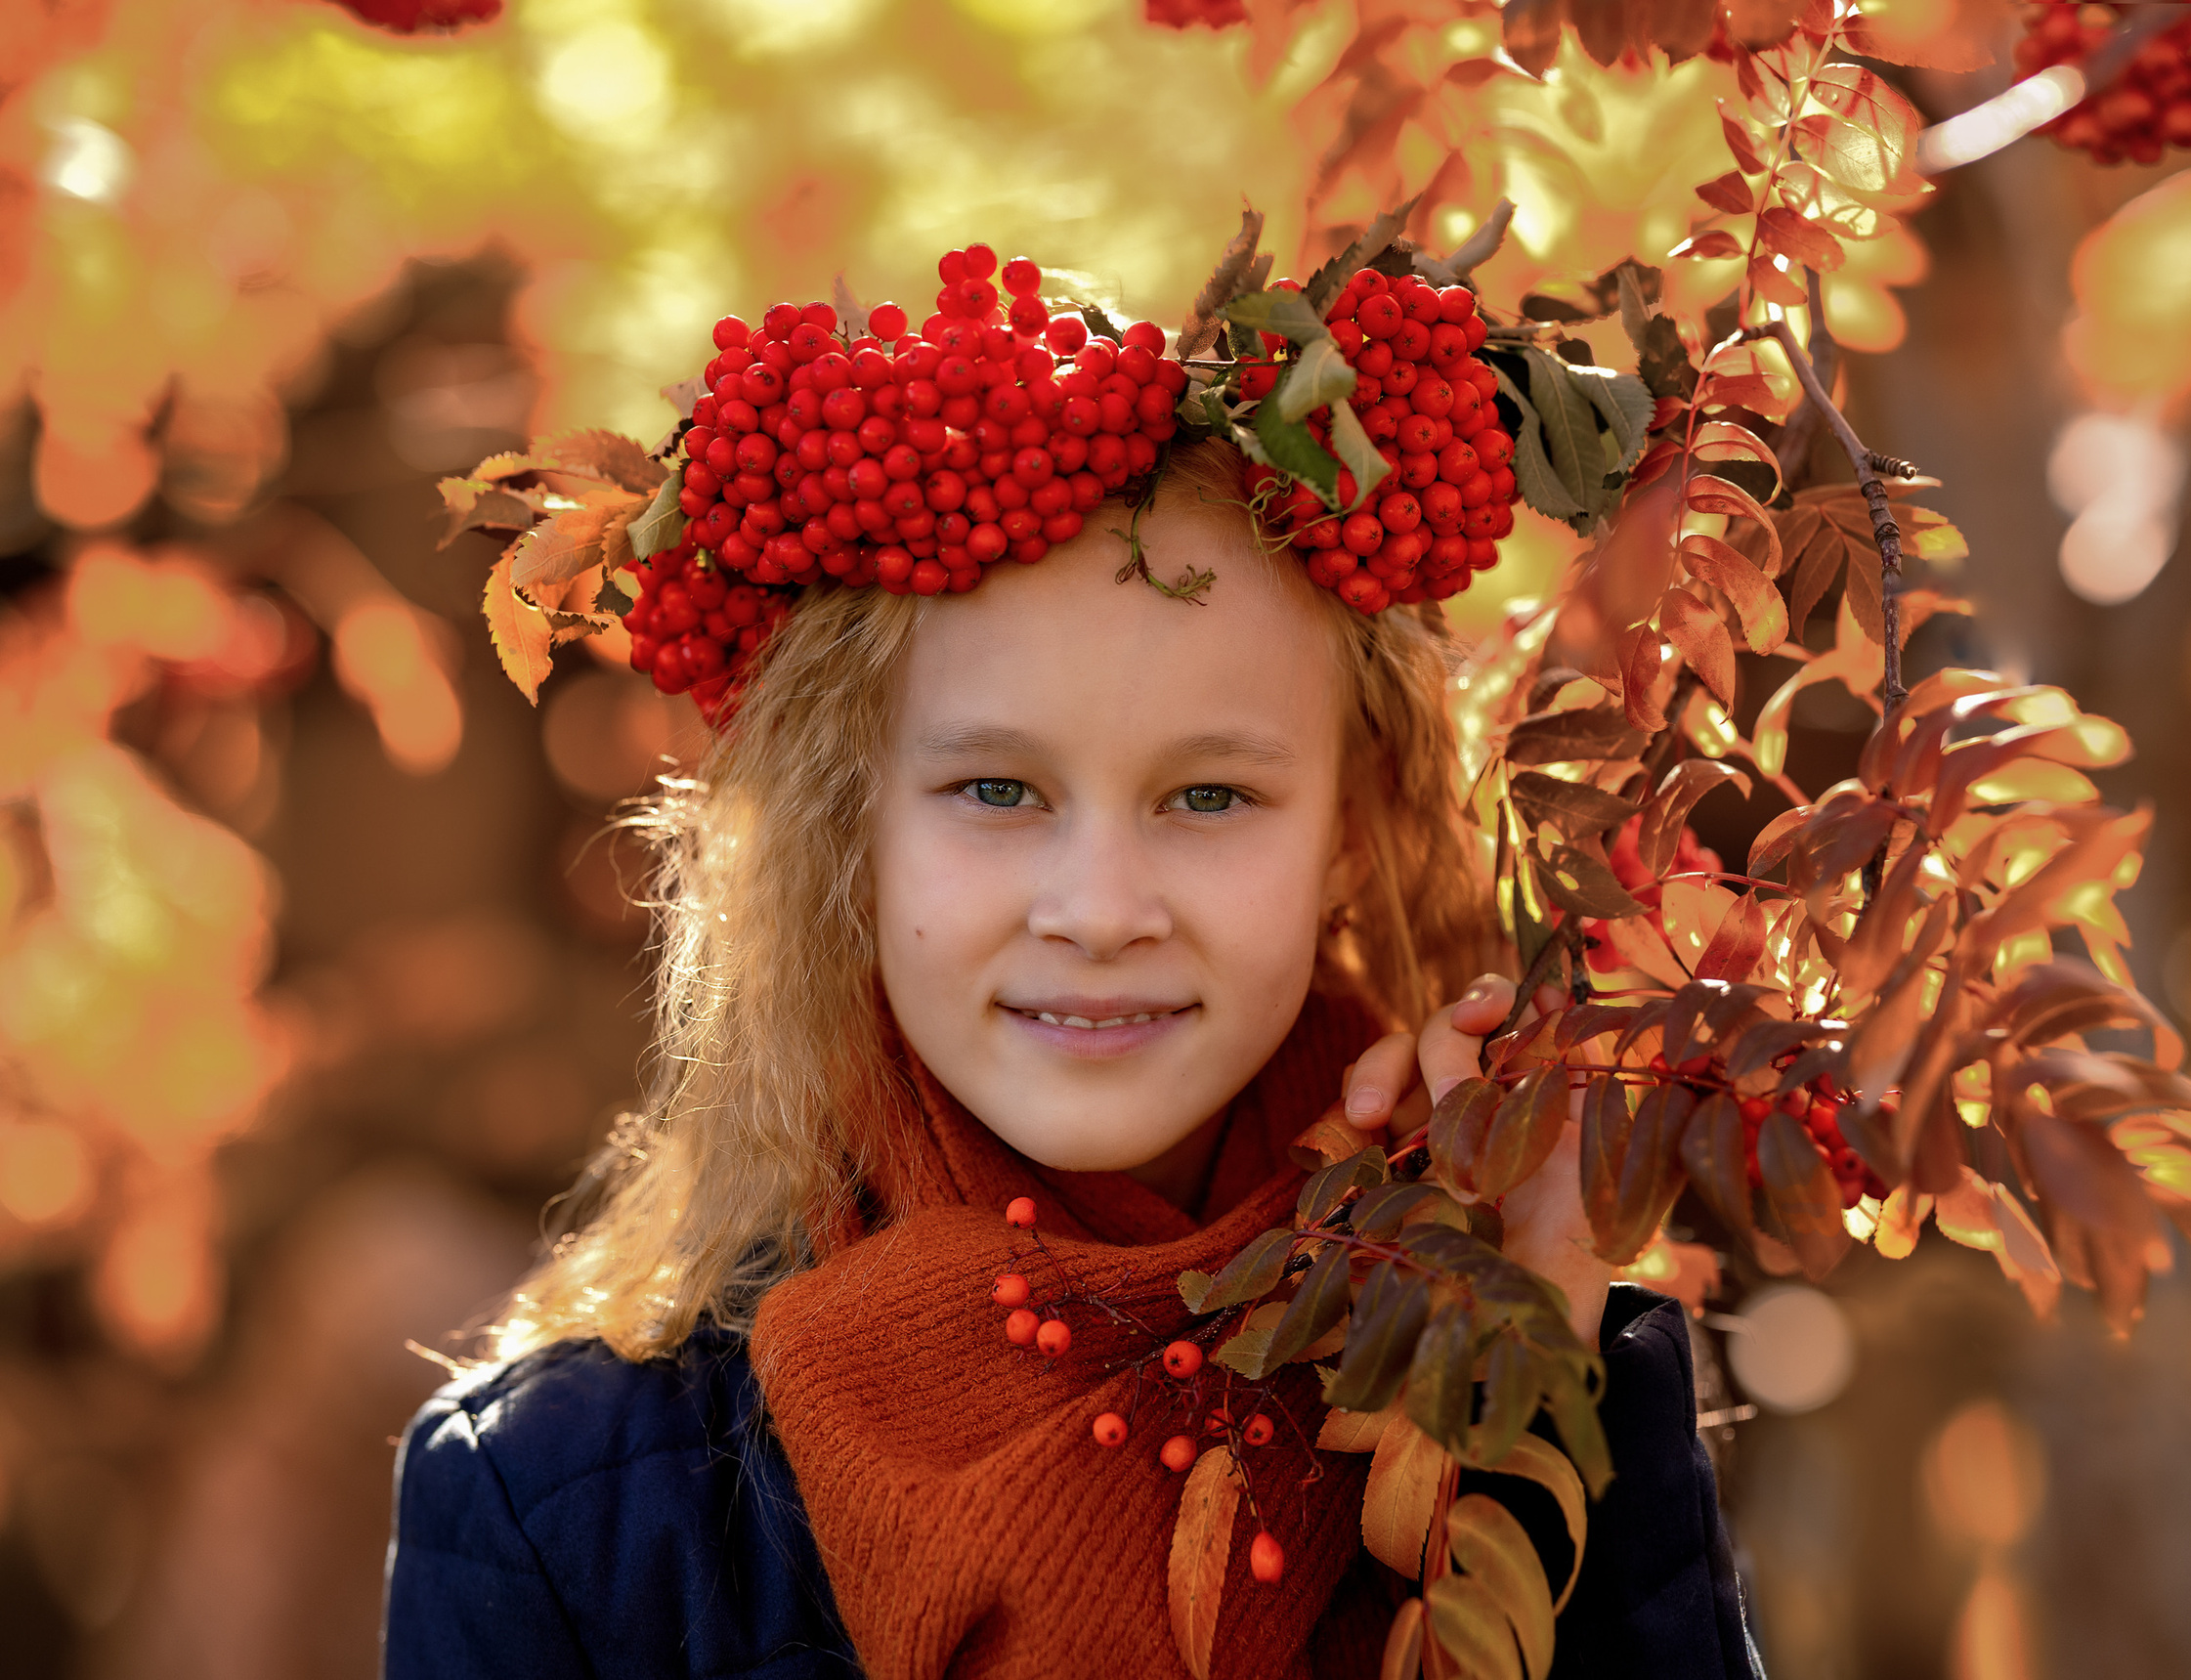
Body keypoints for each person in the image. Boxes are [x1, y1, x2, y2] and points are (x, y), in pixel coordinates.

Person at [383, 392, 1762, 1673]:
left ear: (1347, 832)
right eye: (997, 788)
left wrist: (1530, 1371)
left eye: (1210, 797)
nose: (1101, 912)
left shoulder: (1557, 1362)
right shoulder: (565, 1505)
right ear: (850, 830)